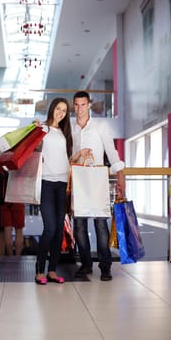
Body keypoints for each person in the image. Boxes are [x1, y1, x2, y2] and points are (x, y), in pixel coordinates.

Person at [70, 90, 125, 281]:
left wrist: (120, 176)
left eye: (83, 104)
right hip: (78, 180)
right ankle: (85, 264)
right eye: (76, 105)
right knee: (79, 225)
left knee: (100, 224)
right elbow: (68, 156)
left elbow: (111, 152)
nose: (79, 109)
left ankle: (105, 266)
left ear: (89, 105)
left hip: (97, 179)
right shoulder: (70, 128)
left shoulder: (100, 126)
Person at [35, 97, 73, 285]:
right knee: (49, 227)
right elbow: (32, 150)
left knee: (59, 229)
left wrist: (78, 156)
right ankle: (39, 270)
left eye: (64, 110)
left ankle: (52, 270)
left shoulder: (65, 132)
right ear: (52, 109)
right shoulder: (42, 128)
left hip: (62, 183)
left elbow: (66, 156)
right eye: (58, 108)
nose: (61, 113)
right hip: (46, 183)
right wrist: (33, 130)